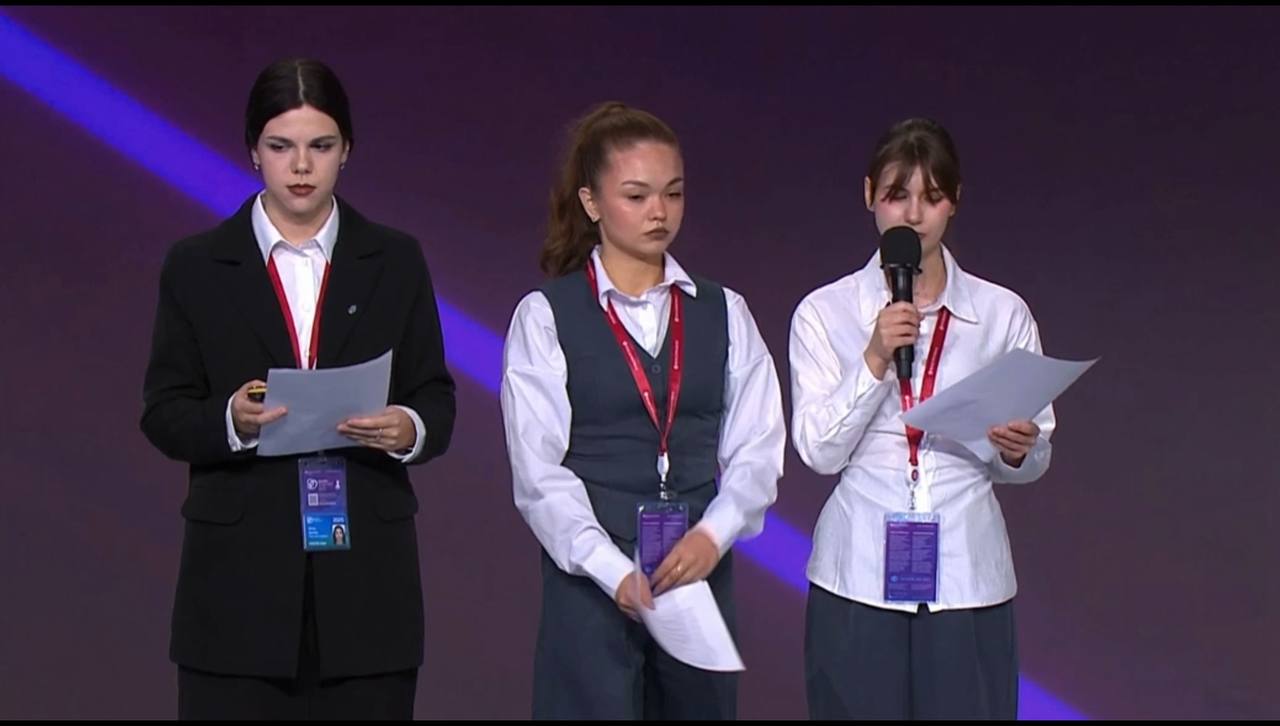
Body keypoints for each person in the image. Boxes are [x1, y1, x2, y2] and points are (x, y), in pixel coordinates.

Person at [140, 58, 456, 720]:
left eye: (321, 146)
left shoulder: (395, 260)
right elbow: (164, 411)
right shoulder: (197, 266)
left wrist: (409, 428)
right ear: (254, 151)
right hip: (236, 595)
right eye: (282, 146)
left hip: (368, 591)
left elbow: (436, 397)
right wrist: (231, 420)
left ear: (348, 151)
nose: (302, 166)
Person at [500, 101, 785, 720]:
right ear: (591, 202)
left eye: (673, 193)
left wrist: (712, 535)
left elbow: (758, 448)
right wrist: (611, 570)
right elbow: (538, 473)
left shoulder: (724, 311)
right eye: (637, 195)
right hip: (591, 589)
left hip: (695, 575)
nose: (659, 212)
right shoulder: (546, 316)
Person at [789, 117, 1055, 720]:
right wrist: (874, 357)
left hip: (968, 574)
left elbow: (1037, 451)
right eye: (896, 195)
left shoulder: (1001, 314)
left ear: (955, 200)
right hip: (857, 573)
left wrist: (1017, 449)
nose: (912, 215)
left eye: (931, 197)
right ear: (868, 196)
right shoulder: (824, 312)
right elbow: (819, 452)